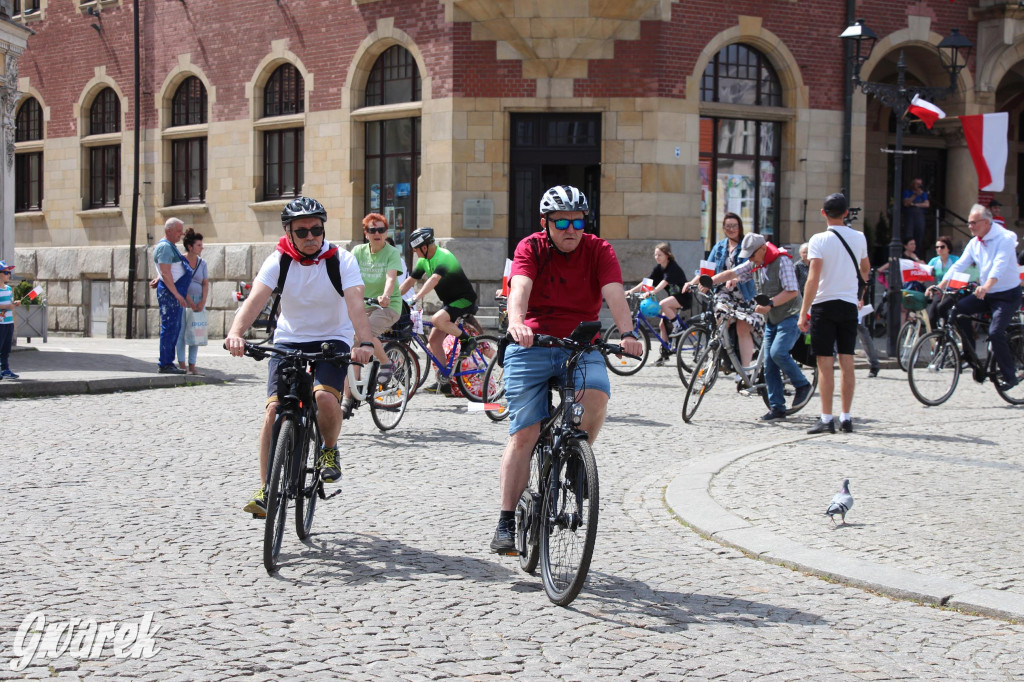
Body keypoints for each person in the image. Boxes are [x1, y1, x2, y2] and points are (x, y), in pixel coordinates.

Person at [490, 185, 642, 554]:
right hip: (533, 343)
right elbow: (520, 287)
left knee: (597, 394)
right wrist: (518, 322)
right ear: (546, 224)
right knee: (525, 433)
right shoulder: (531, 247)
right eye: (561, 223)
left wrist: (627, 333)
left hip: (579, 342)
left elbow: (614, 293)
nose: (570, 229)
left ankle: (576, 456)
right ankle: (507, 520)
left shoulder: (598, 249)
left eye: (577, 221)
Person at [225, 197, 387, 516]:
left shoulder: (340, 260)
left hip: (332, 339)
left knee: (326, 400)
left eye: (317, 229)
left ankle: (328, 449)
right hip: (289, 339)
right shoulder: (279, 260)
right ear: (289, 233)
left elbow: (355, 305)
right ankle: (267, 490)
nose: (311, 236)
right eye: (302, 232)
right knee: (274, 411)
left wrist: (365, 342)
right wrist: (236, 333)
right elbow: (255, 300)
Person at [710, 233, 812, 420]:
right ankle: (777, 408)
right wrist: (709, 281)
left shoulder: (782, 262)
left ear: (763, 249)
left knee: (778, 353)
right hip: (772, 319)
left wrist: (770, 304)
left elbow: (792, 291)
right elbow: (733, 273)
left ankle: (803, 384)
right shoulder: (757, 262)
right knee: (769, 365)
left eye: (752, 254)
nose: (749, 259)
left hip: (790, 316)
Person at [929, 204, 1022, 389]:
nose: (969, 226)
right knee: (957, 309)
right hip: (987, 293)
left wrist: (986, 286)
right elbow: (959, 266)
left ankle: (1009, 375)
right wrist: (940, 286)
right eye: (968, 222)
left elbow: (1000, 265)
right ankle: (970, 355)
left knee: (995, 333)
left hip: (1007, 295)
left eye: (973, 223)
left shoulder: (1003, 239)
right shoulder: (975, 242)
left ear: (986, 223)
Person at [799, 193, 869, 434]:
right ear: (846, 213)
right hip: (848, 305)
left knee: (825, 364)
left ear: (823, 213)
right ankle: (846, 417)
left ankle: (827, 419)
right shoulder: (859, 237)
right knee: (847, 361)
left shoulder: (818, 239)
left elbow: (813, 277)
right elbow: (866, 269)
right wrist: (859, 293)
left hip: (824, 305)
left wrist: (803, 312)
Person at [398, 227, 479, 395]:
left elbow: (434, 280)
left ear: (424, 247)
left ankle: (468, 341)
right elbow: (410, 281)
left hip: (464, 299)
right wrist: (392, 296)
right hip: (450, 302)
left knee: (437, 319)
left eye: (416, 250)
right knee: (433, 342)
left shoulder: (444, 256)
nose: (415, 253)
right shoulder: (423, 261)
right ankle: (445, 381)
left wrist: (416, 297)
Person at [341, 213, 402, 417]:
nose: (377, 234)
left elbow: (390, 277)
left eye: (381, 230)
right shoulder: (358, 251)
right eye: (372, 230)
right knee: (353, 347)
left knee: (362, 334)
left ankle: (386, 362)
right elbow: (345, 273)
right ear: (365, 233)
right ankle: (349, 398)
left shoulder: (392, 252)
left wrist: (385, 295)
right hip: (363, 302)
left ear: (386, 233)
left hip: (388, 306)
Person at [683, 212, 756, 368]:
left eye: (734, 226)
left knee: (744, 328)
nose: (731, 229)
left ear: (740, 227)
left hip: (744, 293)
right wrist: (692, 282)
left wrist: (737, 279)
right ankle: (723, 355)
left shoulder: (746, 246)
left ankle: (745, 370)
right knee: (721, 317)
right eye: (728, 226)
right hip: (724, 292)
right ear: (723, 228)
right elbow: (707, 270)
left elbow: (751, 269)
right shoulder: (720, 246)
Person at [625, 242, 691, 366]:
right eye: (655, 255)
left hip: (683, 296)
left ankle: (678, 327)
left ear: (667, 255)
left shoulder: (672, 267)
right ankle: (664, 355)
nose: (657, 257)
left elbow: (665, 282)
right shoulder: (658, 268)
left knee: (663, 304)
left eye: (659, 255)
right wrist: (631, 291)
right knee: (662, 325)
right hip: (673, 298)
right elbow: (647, 282)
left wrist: (653, 292)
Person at [153, 218, 192, 374]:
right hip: (171, 293)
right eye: (178, 231)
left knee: (174, 328)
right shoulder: (164, 247)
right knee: (169, 327)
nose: (181, 234)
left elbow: (166, 271)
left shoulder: (170, 247)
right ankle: (165, 363)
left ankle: (169, 362)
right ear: (168, 230)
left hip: (173, 291)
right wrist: (176, 294)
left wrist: (158, 278)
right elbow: (165, 272)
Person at [175, 229, 209, 375]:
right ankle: (182, 364)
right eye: (199, 245)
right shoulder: (181, 261)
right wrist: (189, 301)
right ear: (190, 247)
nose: (202, 247)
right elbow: (180, 283)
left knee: (197, 331)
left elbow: (205, 283)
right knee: (182, 332)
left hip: (199, 301)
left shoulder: (202, 263)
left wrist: (202, 301)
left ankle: (192, 365)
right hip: (183, 300)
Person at [0, 260, 20, 380]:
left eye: (9, 272)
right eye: (6, 272)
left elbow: (9, 303)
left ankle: (5, 369)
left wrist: (14, 303)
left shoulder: (8, 288)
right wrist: (7, 307)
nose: (9, 275)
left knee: (6, 348)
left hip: (8, 322)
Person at [901, 177, 929, 258]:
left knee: (919, 235)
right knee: (908, 235)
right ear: (913, 184)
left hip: (919, 216)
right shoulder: (908, 192)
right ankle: (906, 255)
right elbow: (906, 203)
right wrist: (915, 195)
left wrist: (915, 204)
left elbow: (927, 204)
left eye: (920, 184)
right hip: (910, 215)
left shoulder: (923, 194)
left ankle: (917, 255)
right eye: (917, 184)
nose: (919, 186)